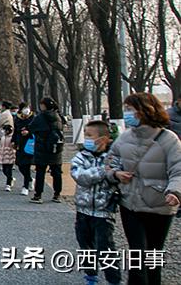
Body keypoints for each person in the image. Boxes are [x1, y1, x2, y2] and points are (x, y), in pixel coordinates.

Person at [106, 92, 181, 285]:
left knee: (153, 256)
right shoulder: (124, 137)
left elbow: (178, 170)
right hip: (130, 204)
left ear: (145, 111)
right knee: (137, 255)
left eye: (130, 109)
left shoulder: (169, 139)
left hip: (160, 206)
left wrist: (174, 191)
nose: (127, 113)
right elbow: (111, 161)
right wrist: (115, 174)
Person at [71, 120, 121, 285]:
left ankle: (113, 280)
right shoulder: (81, 156)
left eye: (90, 135)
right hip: (83, 210)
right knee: (85, 245)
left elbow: (115, 175)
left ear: (104, 139)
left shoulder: (112, 157)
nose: (86, 139)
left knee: (105, 247)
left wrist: (111, 173)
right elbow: (79, 176)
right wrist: (102, 172)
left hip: (103, 211)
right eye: (85, 135)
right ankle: (90, 276)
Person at [28, 97, 64, 204]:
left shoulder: (40, 117)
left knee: (40, 172)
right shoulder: (58, 116)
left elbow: (31, 128)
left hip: (42, 147)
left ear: (44, 105)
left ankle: (38, 195)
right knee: (56, 172)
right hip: (56, 148)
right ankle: (57, 194)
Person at [12, 103, 35, 196]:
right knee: (20, 165)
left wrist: (29, 132)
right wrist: (14, 141)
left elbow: (36, 130)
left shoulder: (33, 118)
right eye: (24, 108)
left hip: (29, 144)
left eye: (28, 108)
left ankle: (25, 186)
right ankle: (30, 179)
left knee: (26, 165)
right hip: (20, 144)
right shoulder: (17, 119)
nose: (27, 110)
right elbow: (15, 131)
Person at [0, 124, 16, 191]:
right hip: (3, 154)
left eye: (6, 130)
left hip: (11, 154)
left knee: (9, 170)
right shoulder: (3, 137)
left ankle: (8, 184)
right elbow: (0, 146)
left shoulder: (13, 137)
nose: (5, 131)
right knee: (4, 170)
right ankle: (11, 179)